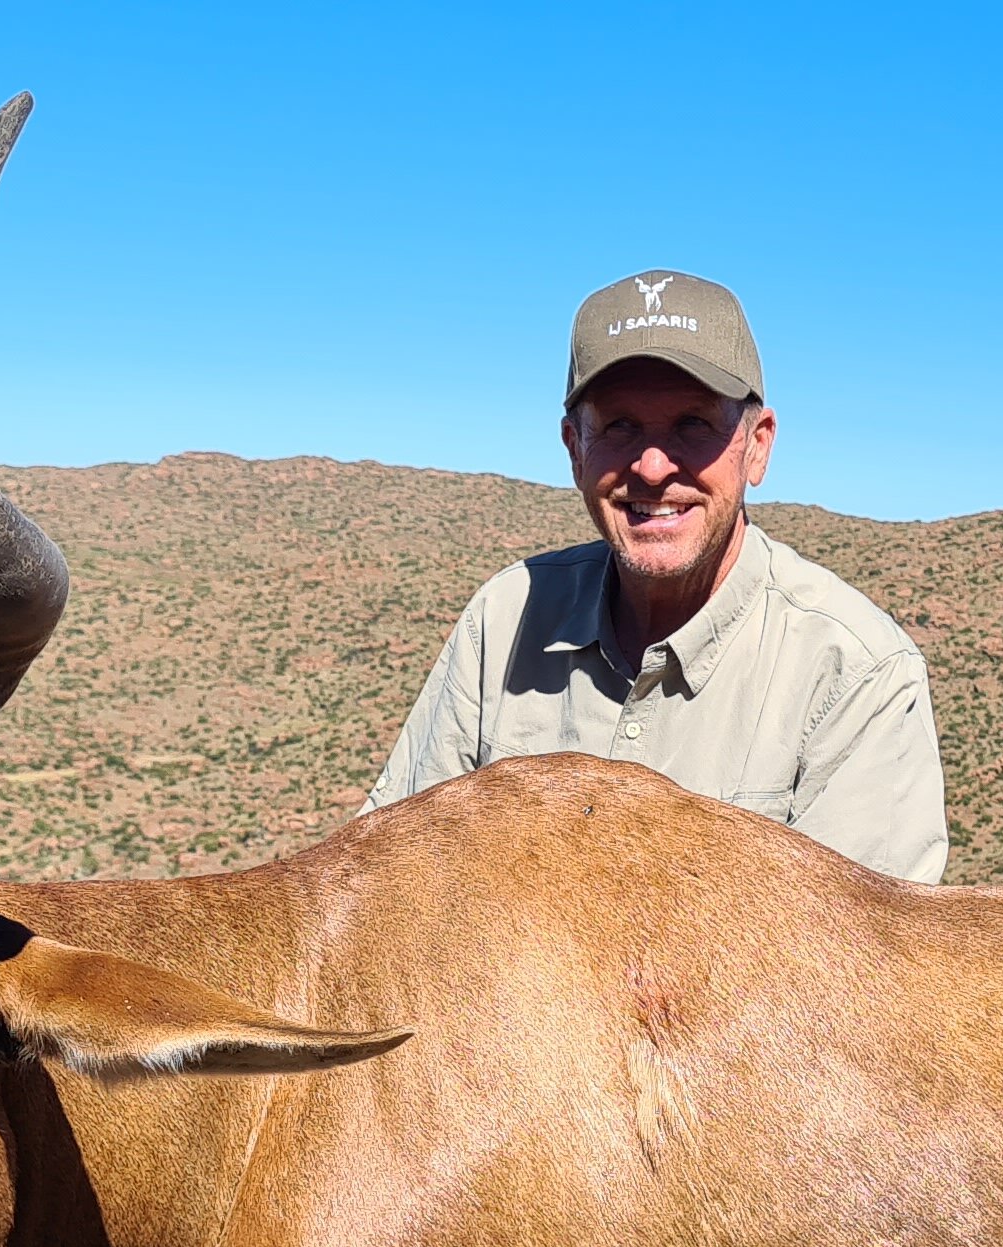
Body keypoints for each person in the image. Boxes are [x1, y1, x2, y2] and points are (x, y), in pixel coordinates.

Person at [363, 270, 949, 882]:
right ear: (574, 449)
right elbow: (387, 883)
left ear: (758, 446)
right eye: (619, 426)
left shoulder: (856, 672)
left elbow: (850, 966)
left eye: (693, 424)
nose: (651, 466)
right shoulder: (504, 621)